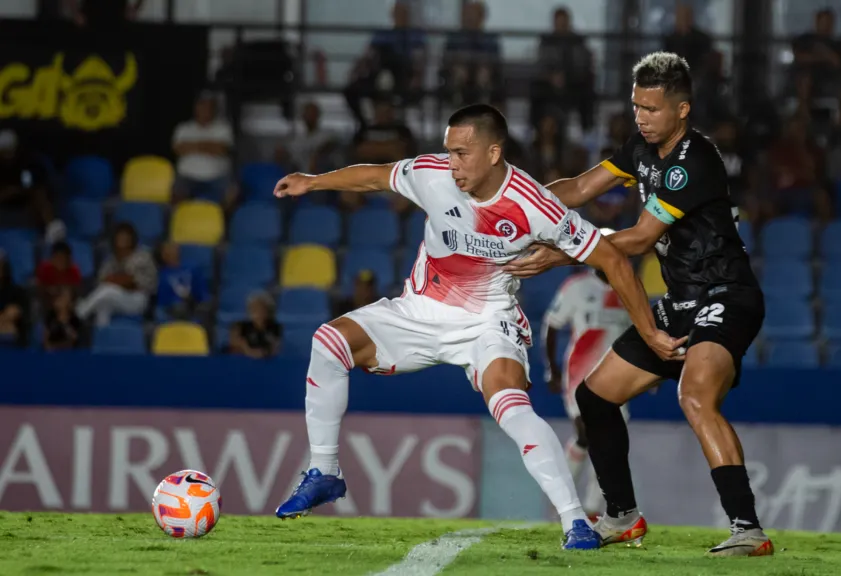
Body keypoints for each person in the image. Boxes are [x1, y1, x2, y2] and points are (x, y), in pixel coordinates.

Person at [270, 103, 683, 551]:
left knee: (511, 406)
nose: (452, 163)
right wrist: (313, 182)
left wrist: (648, 332)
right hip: (420, 309)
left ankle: (574, 521)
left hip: (489, 321)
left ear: (493, 153)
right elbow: (376, 176)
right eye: (449, 151)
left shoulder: (534, 205)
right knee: (329, 341)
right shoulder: (432, 174)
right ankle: (325, 470)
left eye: (462, 153)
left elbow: (612, 260)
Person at [504, 52, 772, 556]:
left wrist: (562, 253)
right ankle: (622, 515)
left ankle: (747, 529)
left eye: (651, 109)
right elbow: (579, 188)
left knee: (695, 396)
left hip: (725, 295)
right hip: (681, 300)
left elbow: (641, 238)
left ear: (682, 110)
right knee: (595, 397)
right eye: (636, 107)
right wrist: (518, 202)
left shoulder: (694, 161)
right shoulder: (640, 149)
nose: (641, 118)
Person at [542, 239, 633, 518]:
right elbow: (552, 325)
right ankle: (564, 501)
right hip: (580, 372)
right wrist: (552, 368)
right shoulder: (577, 287)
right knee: (586, 434)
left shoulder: (628, 285)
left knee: (609, 439)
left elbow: (639, 331)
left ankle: (594, 508)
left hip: (616, 374)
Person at [76, 223, 157, 326]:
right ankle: (102, 332)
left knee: (107, 290)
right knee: (104, 304)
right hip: (118, 298)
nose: (122, 239)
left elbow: (139, 283)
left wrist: (118, 281)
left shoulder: (143, 257)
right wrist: (120, 281)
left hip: (139, 299)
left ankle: (79, 313)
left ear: (132, 238)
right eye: (120, 236)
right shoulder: (111, 260)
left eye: (126, 236)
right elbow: (102, 281)